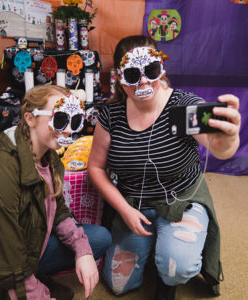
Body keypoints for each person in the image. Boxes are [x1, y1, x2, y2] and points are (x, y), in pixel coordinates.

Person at [88, 35, 241, 300]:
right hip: (134, 202)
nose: (144, 81)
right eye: (134, 74)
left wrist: (229, 139)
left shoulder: (182, 106)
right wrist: (123, 210)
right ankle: (154, 245)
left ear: (162, 67)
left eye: (151, 70)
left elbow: (217, 145)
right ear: (120, 78)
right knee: (118, 283)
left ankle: (167, 278)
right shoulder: (110, 115)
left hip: (181, 199)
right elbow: (96, 168)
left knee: (177, 267)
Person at [0, 84, 112, 300]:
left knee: (97, 239)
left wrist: (83, 250)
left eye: (75, 121)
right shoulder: (0, 175)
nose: (69, 131)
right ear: (30, 119)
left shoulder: (49, 157)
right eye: (60, 118)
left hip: (23, 246)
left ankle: (37, 276)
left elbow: (58, 208)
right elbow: (5, 263)